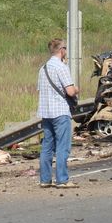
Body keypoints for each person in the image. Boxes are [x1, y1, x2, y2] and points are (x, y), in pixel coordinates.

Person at [36, 38, 79, 189]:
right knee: (62, 146)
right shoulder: (61, 67)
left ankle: (45, 179)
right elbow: (70, 91)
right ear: (62, 50)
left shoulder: (43, 68)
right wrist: (76, 89)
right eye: (65, 49)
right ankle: (62, 179)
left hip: (46, 112)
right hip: (60, 111)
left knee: (47, 146)